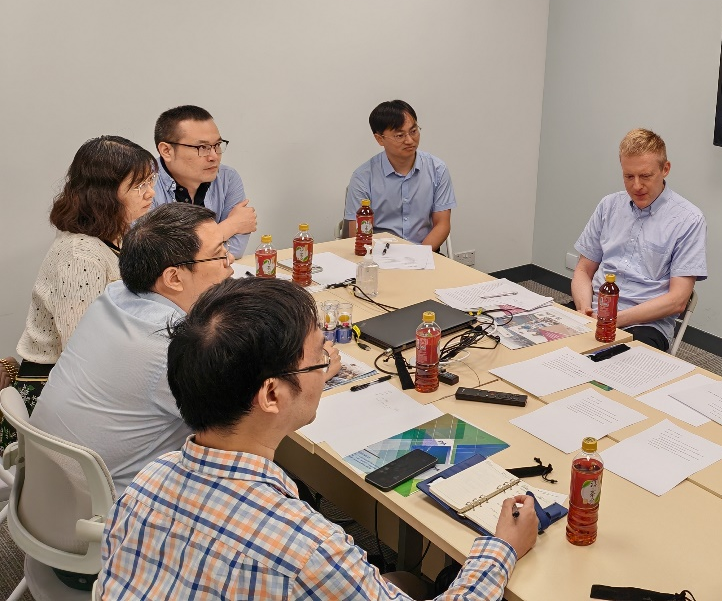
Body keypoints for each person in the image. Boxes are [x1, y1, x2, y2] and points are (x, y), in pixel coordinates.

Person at [98, 277, 539, 600]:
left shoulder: (146, 485)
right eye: (317, 359)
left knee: (404, 582)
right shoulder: (309, 550)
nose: (327, 365)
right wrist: (501, 549)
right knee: (414, 584)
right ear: (271, 394)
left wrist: (309, 371)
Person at [31, 203, 238, 492]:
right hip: (110, 505)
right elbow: (238, 425)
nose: (230, 261)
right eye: (218, 254)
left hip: (42, 488)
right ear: (173, 278)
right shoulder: (172, 347)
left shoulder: (114, 296)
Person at [2, 136, 156, 449]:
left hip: (88, 383)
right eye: (139, 185)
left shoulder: (116, 236)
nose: (150, 192)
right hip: (55, 396)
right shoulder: (80, 254)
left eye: (151, 181)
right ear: (105, 194)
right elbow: (82, 352)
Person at [571, 128, 707, 352]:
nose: (636, 186)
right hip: (594, 311)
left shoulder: (688, 220)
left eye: (645, 176)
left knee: (612, 368)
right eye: (628, 176)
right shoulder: (609, 206)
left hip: (646, 325)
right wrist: (584, 310)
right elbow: (583, 270)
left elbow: (677, 300)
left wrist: (612, 320)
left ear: (665, 169)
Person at [346, 100, 455, 251]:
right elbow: (357, 234)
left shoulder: (437, 169)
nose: (409, 140)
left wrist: (418, 256)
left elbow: (442, 224)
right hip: (378, 255)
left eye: (413, 131)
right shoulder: (363, 177)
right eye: (399, 135)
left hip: (424, 252)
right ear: (379, 139)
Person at [152, 105, 257, 258]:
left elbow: (235, 250)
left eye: (217, 145)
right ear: (166, 151)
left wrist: (187, 250)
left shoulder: (228, 178)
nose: (214, 156)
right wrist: (229, 226)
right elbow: (155, 257)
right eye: (202, 147)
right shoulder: (142, 185)